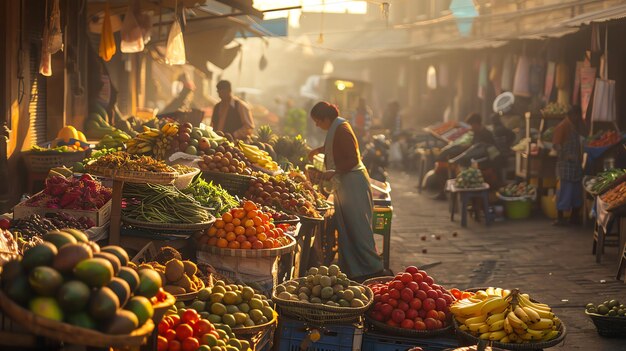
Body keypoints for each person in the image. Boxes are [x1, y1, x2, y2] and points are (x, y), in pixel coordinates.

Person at [307, 102, 384, 281]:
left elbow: (353, 158)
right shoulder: (335, 128)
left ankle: (374, 269)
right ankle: (355, 270)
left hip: (353, 182)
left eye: (318, 121)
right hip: (346, 184)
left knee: (358, 228)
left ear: (327, 118)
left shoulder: (341, 128)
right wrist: (318, 151)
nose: (317, 126)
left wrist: (334, 171)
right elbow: (334, 148)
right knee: (347, 229)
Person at [552, 106, 584, 226]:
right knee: (564, 192)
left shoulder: (573, 126)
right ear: (572, 114)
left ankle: (574, 217)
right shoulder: (563, 126)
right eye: (577, 115)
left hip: (575, 165)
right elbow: (556, 145)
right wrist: (565, 155)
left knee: (576, 192)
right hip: (565, 166)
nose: (578, 118)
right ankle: (560, 218)